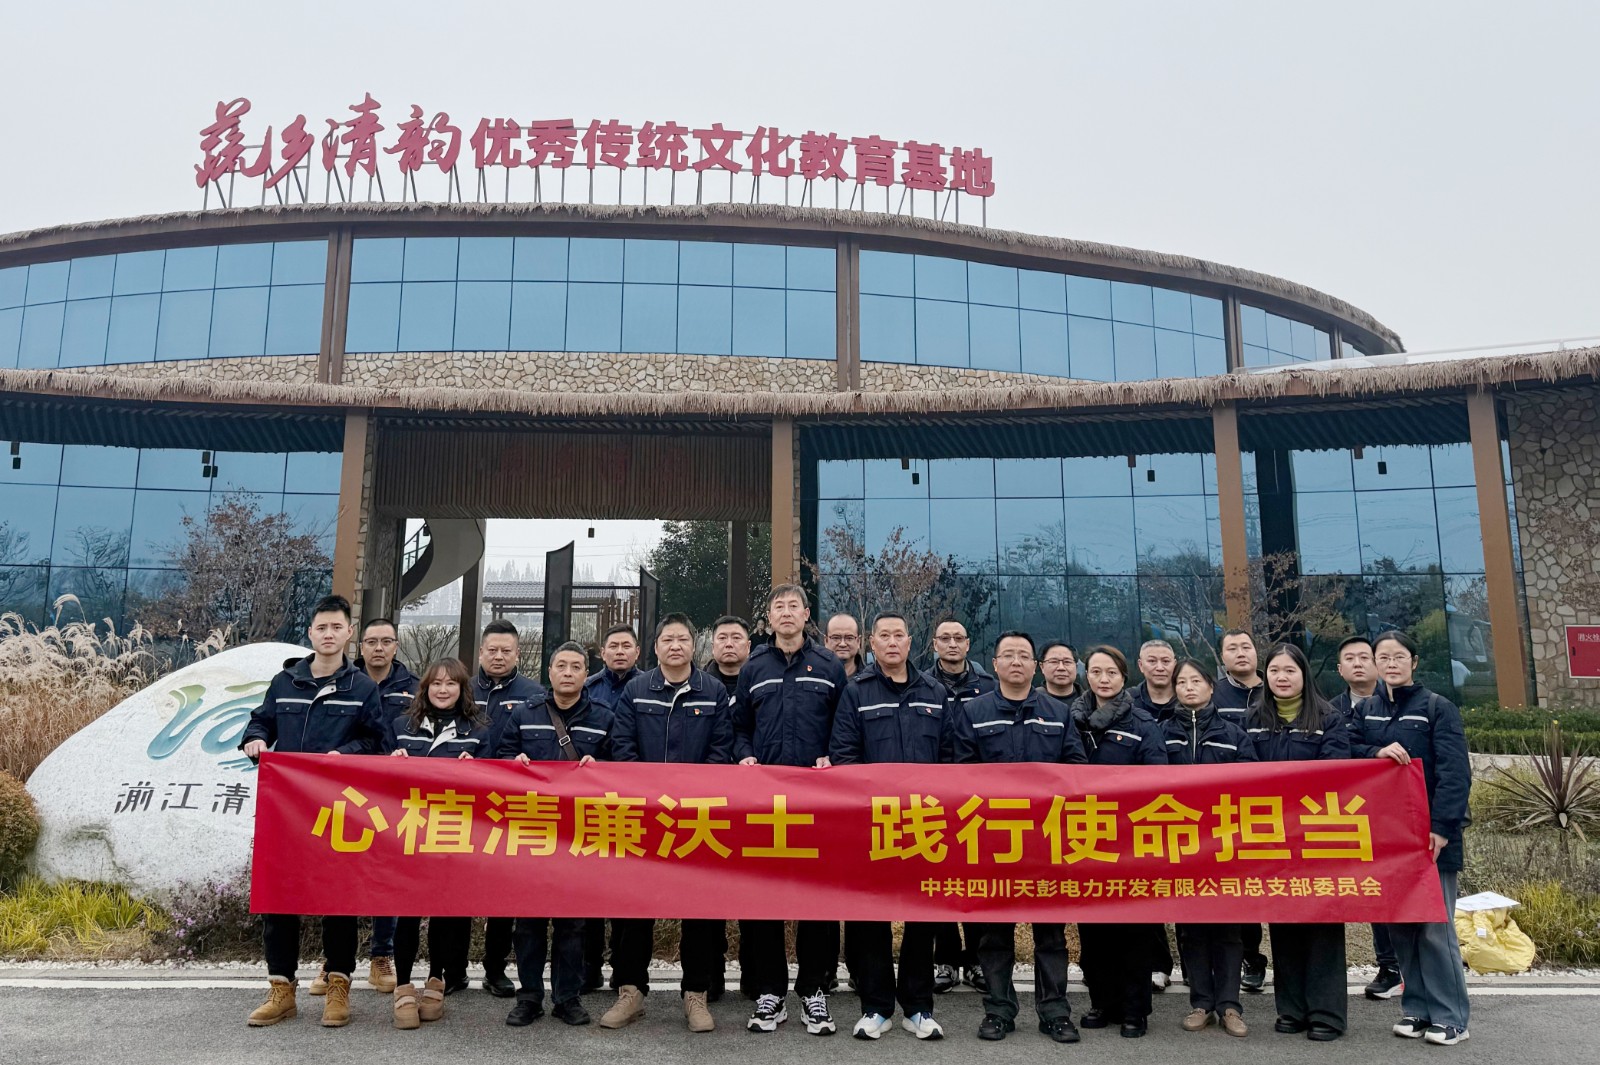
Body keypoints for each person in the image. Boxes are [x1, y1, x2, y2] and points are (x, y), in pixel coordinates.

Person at [240, 593, 385, 1028]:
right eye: (321, 627)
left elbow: (377, 740)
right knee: (279, 899)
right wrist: (255, 738)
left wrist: (345, 754)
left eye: (336, 627)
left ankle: (338, 987)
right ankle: (281, 990)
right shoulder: (285, 682)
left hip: (339, 811)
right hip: (287, 810)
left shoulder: (362, 688)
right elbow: (261, 720)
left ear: (348, 633)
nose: (328, 634)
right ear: (310, 633)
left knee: (338, 899)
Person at [949, 631, 1087, 1045]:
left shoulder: (1057, 713)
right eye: (1007, 655)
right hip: (994, 840)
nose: (1016, 662)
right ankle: (998, 1010)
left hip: (1047, 841)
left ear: (1035, 666)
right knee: (994, 934)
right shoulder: (973, 712)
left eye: (1024, 656)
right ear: (994, 664)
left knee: (1051, 934)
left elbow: (1077, 768)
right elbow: (960, 771)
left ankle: (1055, 1012)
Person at [603, 614, 734, 1033]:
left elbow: (721, 749)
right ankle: (630, 991)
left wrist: (691, 795)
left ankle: (696, 993)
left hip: (697, 817)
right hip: (644, 816)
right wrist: (648, 795)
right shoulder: (637, 690)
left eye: (682, 639)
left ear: (694, 646)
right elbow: (622, 746)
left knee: (698, 907)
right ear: (655, 647)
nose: (675, 646)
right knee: (635, 907)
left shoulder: (712, 691)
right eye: (667, 639)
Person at [830, 612, 953, 1041]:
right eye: (884, 635)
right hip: (874, 821)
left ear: (910, 641)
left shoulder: (934, 692)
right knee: (872, 916)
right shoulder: (856, 692)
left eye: (899, 634)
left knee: (922, 915)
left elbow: (950, 756)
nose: (892, 642)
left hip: (925, 821)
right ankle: (876, 1006)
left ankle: (918, 1007)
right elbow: (844, 755)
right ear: (872, 643)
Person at [1347, 630, 1472, 1047]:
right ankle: (1416, 1009)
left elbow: (1455, 773)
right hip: (1388, 837)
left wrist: (1442, 828)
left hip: (1432, 837)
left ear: (1414, 662)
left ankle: (1451, 1017)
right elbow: (1344, 748)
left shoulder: (1437, 707)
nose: (1391, 663)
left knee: (1435, 928)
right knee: (1401, 925)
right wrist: (1375, 753)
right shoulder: (1366, 710)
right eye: (1384, 657)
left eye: (1399, 656)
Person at [733, 584, 847, 1035]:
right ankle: (771, 992)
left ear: (805, 614)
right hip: (765, 803)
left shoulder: (829, 666)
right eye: (778, 606)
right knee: (764, 899)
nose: (786, 613)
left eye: (793, 606)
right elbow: (739, 726)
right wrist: (745, 755)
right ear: (769, 617)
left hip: (817, 803)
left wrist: (833, 757)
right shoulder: (754, 667)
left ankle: (813, 990)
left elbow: (844, 725)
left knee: (816, 899)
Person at [496, 640, 613, 1029]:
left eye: (576, 667)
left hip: (580, 834)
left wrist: (600, 766)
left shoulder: (603, 717)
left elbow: (621, 768)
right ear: (549, 672)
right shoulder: (524, 713)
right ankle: (529, 996)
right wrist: (513, 762)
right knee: (528, 921)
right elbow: (500, 758)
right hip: (532, 830)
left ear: (586, 674)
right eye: (561, 666)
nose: (567, 672)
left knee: (572, 922)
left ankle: (567, 997)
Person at [303, 617, 415, 1000]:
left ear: (396, 646)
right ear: (360, 644)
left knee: (387, 875)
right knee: (342, 874)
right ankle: (333, 962)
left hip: (393, 795)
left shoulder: (414, 688)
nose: (378, 648)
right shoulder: (342, 682)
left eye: (386, 641)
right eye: (372, 642)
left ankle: (381, 955)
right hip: (345, 794)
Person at [1245, 643, 1351, 1042]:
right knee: (1284, 920)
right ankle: (1290, 1009)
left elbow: (1337, 773)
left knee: (1322, 922)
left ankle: (1327, 1013)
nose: (1282, 677)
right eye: (1274, 670)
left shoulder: (1328, 718)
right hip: (1272, 837)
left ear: (1304, 674)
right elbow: (1243, 771)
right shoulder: (1253, 719)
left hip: (1317, 836)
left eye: (1290, 670)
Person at [384, 657, 489, 1030]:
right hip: (409, 834)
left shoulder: (479, 730)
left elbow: (496, 783)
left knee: (444, 914)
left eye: (451, 684)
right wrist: (392, 761)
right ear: (425, 687)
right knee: (408, 913)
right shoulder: (401, 726)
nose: (443, 690)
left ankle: (436, 981)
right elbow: (375, 777)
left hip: (453, 835)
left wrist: (477, 768)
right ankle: (403, 987)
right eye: (436, 683)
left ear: (463, 689)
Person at [1069, 645, 1166, 1038]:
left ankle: (1134, 1009)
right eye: (1095, 672)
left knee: (1133, 928)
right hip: (1085, 836)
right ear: (1086, 676)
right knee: (1094, 928)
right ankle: (1102, 1002)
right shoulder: (1071, 719)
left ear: (1124, 676)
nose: (1103, 679)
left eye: (1111, 672)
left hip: (1129, 839)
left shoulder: (1141, 722)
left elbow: (1158, 779)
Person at [1165, 660, 1255, 1038]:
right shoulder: (1163, 734)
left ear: (1211, 686)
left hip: (1224, 843)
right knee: (1192, 929)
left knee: (1229, 928)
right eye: (1182, 682)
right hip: (1181, 843)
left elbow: (1251, 784)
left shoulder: (1234, 734)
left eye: (1196, 681)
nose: (1189, 687)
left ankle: (1230, 1005)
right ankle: (1201, 1002)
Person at [472, 619, 549, 999]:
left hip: (513, 804)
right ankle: (447, 971)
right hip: (464, 802)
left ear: (518, 654)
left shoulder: (534, 695)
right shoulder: (461, 689)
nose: (499, 656)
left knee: (505, 890)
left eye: (506, 650)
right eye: (492, 650)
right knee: (458, 885)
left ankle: (495, 968)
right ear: (480, 652)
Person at [924, 616, 995, 994]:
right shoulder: (923, 684)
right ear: (934, 644)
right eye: (945, 638)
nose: (952, 644)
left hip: (977, 800)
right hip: (934, 797)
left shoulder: (989, 686)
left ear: (968, 644)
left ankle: (978, 961)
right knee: (941, 880)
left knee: (974, 882)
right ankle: (946, 960)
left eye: (958, 638)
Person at [1331, 635, 1403, 1002]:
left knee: (1394, 888)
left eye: (1364, 657)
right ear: (1339, 668)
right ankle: (1388, 965)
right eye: (1350, 658)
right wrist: (1374, 752)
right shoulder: (1330, 710)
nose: (1358, 663)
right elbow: (1339, 752)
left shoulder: (1399, 703)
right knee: (1371, 888)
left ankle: (1401, 967)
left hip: (1395, 813)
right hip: (1348, 813)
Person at [581, 623, 642, 992]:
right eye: (613, 646)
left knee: (627, 892)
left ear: (638, 652)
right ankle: (588, 969)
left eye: (626, 646)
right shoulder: (588, 689)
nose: (620, 651)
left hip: (634, 800)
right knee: (590, 891)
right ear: (601, 653)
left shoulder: (647, 686)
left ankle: (623, 971)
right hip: (593, 801)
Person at [1212, 628, 1268, 993]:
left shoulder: (1277, 687)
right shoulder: (1215, 694)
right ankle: (1248, 957)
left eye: (1246, 646)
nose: (1240, 653)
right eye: (1231, 648)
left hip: (1272, 803)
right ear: (1223, 657)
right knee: (1234, 887)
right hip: (1224, 807)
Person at [1127, 638, 1180, 992]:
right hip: (1141, 809)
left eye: (1166, 660)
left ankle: (1197, 968)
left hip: (1188, 807)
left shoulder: (1190, 694)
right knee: (1146, 887)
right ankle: (1157, 964)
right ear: (1140, 665)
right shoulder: (1128, 703)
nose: (1160, 667)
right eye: (1152, 661)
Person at [708, 615, 752, 693]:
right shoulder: (699, 684)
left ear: (748, 646)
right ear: (713, 647)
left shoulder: (761, 683)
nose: (729, 644)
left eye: (736, 638)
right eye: (722, 638)